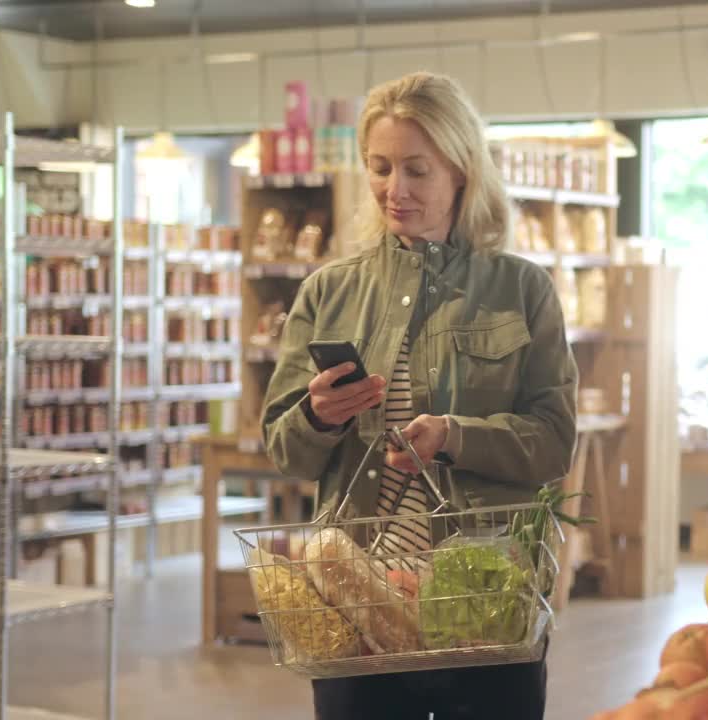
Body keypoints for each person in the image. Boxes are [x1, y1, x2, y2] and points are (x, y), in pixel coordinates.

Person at [262, 71, 578, 720]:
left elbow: (553, 440)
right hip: (358, 606)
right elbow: (284, 452)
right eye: (379, 168)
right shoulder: (329, 293)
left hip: (485, 599)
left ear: (462, 171)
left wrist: (455, 436)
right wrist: (317, 417)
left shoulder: (523, 290)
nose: (393, 190)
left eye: (416, 170)